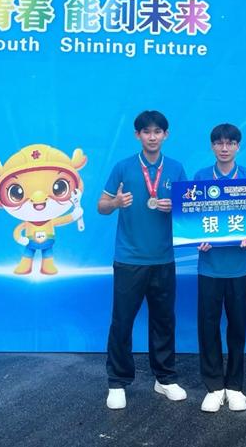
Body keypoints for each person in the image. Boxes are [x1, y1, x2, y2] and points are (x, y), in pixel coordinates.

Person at [97, 110, 188, 410]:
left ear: (165, 135)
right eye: (146, 131)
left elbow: (189, 210)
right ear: (138, 135)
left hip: (163, 258)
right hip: (129, 259)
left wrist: (176, 206)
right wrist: (116, 202)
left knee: (164, 320)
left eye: (157, 131)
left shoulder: (175, 168)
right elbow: (101, 206)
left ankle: (165, 378)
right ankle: (117, 381)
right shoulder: (123, 167)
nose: (152, 136)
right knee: (122, 322)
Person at [192, 123, 246, 413]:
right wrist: (198, 238)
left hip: (239, 267)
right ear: (212, 146)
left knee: (237, 327)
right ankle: (214, 386)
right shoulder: (201, 178)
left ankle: (235, 386)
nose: (224, 148)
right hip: (209, 267)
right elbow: (192, 220)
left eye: (230, 143)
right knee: (208, 327)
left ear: (238, 147)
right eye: (219, 142)